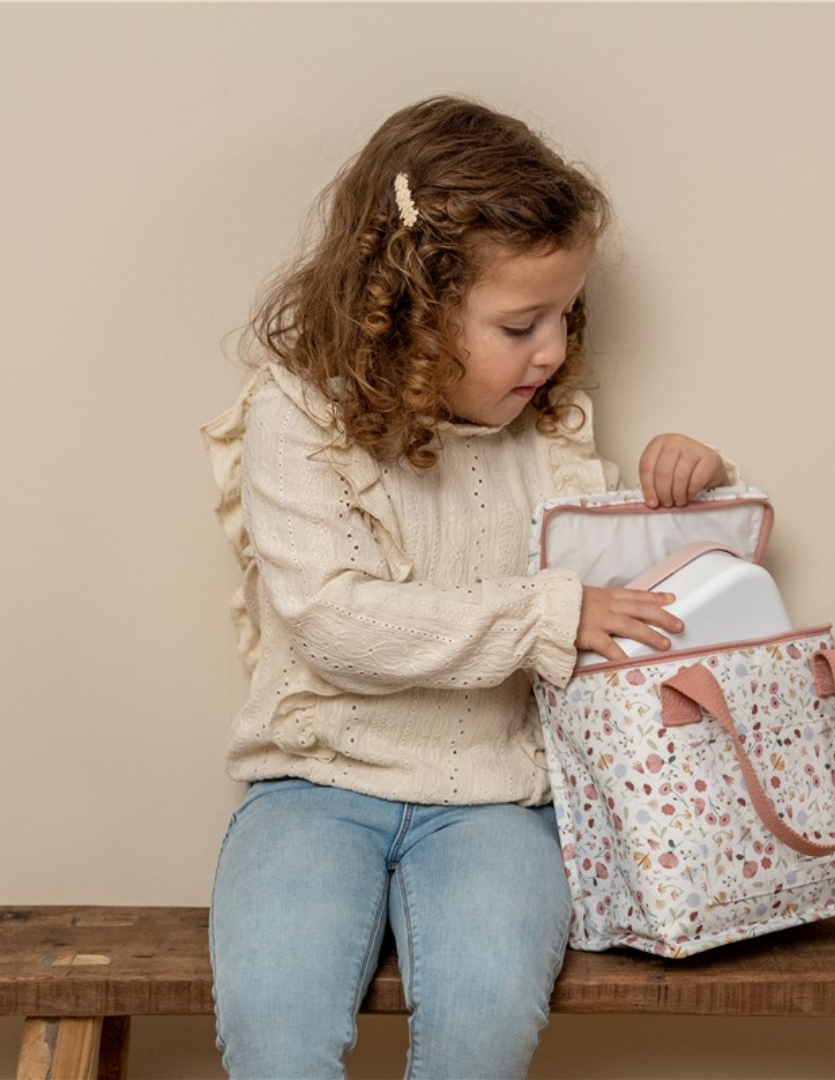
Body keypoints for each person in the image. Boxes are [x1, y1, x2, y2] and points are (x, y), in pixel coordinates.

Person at [202, 95, 740, 1080]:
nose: (552, 349)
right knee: (274, 1025)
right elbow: (332, 621)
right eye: (521, 323)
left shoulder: (549, 436)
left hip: (499, 799)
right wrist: (549, 612)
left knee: (485, 1023)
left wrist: (682, 486)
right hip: (316, 785)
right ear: (408, 311)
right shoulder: (298, 422)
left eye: (566, 316)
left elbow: (624, 599)